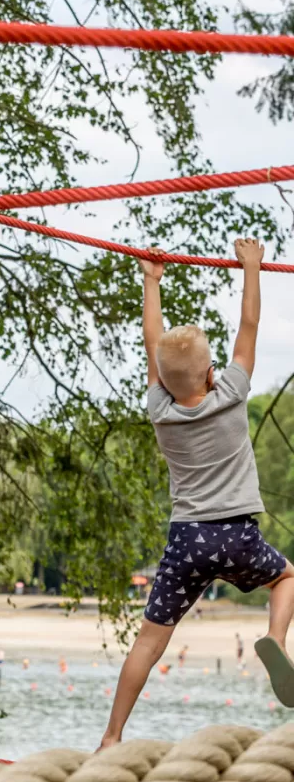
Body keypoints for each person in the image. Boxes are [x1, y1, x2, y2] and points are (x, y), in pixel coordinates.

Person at [100, 240, 294, 749]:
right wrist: (252, 268)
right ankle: (275, 639)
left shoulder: (160, 411)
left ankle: (112, 735)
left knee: (149, 640)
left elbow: (153, 345)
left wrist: (151, 280)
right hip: (237, 536)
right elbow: (248, 328)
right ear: (212, 373)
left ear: (162, 382)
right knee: (288, 577)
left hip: (187, 541)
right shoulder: (230, 394)